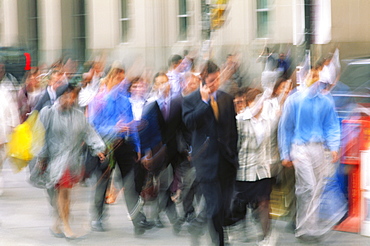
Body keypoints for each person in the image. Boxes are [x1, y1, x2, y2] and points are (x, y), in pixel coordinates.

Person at [36, 85, 105, 238]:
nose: (70, 100)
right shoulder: (49, 113)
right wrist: (41, 157)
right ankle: (67, 226)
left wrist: (98, 148)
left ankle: (56, 224)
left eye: (72, 96)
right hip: (56, 159)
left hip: (73, 160)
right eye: (66, 96)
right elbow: (41, 136)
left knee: (65, 193)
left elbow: (88, 132)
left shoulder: (78, 115)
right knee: (64, 192)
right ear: (59, 97)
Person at [182, 60, 238, 245]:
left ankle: (205, 227)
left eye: (217, 79)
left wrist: (234, 155)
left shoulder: (226, 98)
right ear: (203, 81)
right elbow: (189, 123)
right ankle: (218, 240)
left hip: (226, 161)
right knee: (213, 206)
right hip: (205, 161)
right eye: (211, 80)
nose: (215, 84)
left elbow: (232, 131)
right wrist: (204, 102)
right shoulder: (191, 100)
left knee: (223, 206)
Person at [278, 80, 340, 242]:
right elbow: (286, 127)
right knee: (309, 187)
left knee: (317, 188)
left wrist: (333, 146)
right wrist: (285, 153)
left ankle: (309, 227)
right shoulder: (294, 99)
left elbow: (331, 124)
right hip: (300, 147)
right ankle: (304, 227)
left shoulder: (326, 100)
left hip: (318, 147)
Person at [231, 88, 281, 244]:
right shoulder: (240, 120)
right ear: (249, 103)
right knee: (241, 202)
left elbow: (272, 142)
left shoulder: (268, 120)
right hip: (245, 169)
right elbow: (234, 145)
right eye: (255, 102)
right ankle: (240, 228)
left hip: (263, 169)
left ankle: (267, 235)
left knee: (264, 202)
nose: (259, 105)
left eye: (262, 101)